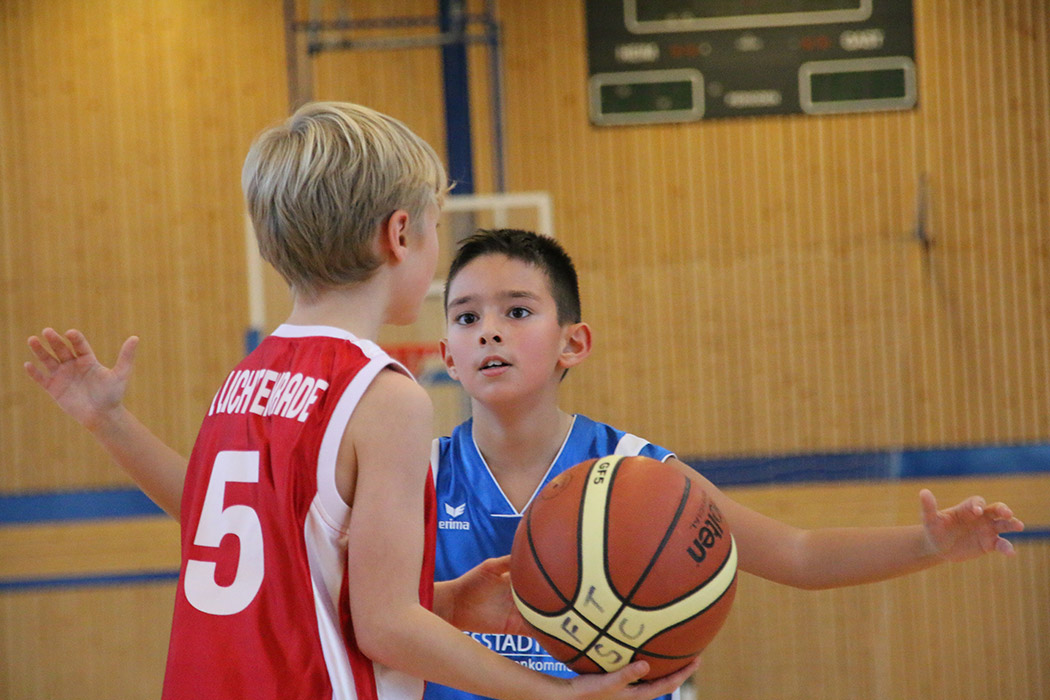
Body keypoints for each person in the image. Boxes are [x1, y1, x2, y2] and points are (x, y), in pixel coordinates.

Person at [26, 225, 1024, 697]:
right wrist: (112, 423)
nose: (490, 331)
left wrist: (928, 545)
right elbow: (230, 515)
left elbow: (794, 553)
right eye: (466, 316)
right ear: (443, 350)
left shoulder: (639, 479)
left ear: (572, 341)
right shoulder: (408, 461)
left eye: (517, 310)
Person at [24, 104, 697, 700]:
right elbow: (385, 628)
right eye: (435, 227)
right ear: (400, 234)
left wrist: (110, 422)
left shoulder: (248, 377)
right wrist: (551, 695)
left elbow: (230, 528)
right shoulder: (383, 396)